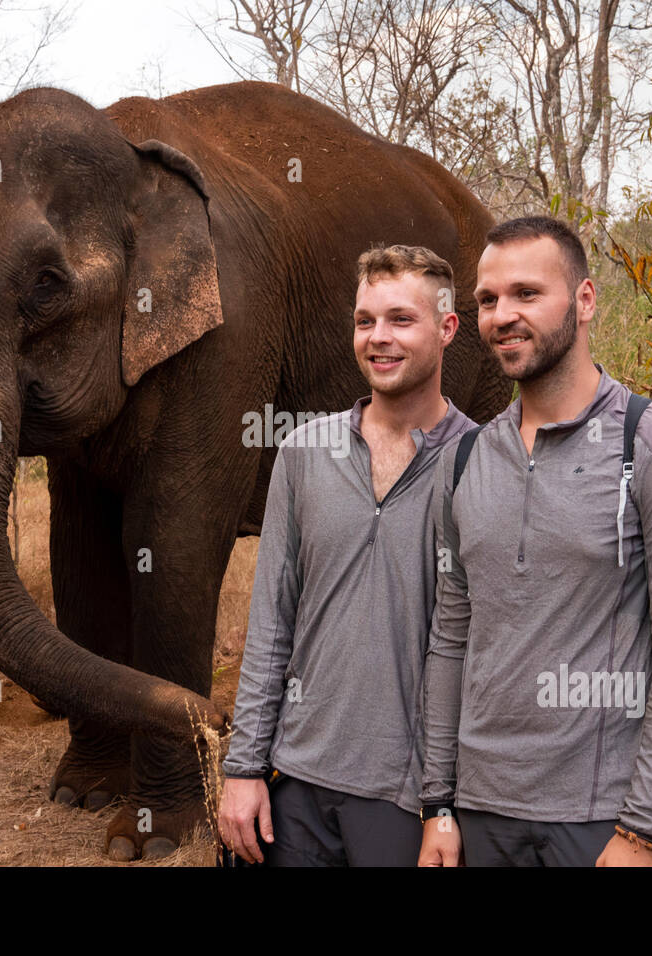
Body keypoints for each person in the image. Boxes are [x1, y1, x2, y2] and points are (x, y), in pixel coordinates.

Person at [417, 216, 652, 867]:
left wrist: (644, 831)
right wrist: (438, 805)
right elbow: (451, 638)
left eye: (527, 294)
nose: (503, 315)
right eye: (488, 299)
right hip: (483, 819)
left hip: (606, 824)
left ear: (584, 300)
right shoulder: (464, 459)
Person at [217, 245, 479, 866]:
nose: (378, 338)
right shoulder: (304, 452)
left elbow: (472, 646)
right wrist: (244, 766)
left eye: (400, 319)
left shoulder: (482, 463)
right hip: (293, 784)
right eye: (365, 321)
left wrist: (443, 803)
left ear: (446, 329)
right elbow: (272, 622)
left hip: (405, 798)